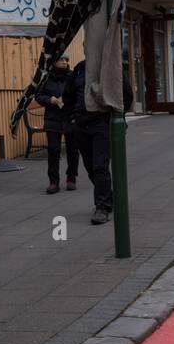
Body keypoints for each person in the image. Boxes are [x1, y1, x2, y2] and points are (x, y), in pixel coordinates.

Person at [64, 58, 133, 225]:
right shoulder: (79, 69)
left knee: (99, 166)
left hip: (101, 125)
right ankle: (108, 197)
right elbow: (68, 95)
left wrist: (117, 117)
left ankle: (102, 207)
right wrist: (72, 117)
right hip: (81, 125)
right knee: (90, 167)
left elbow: (127, 95)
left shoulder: (111, 68)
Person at [36, 53, 78, 195]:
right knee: (53, 151)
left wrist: (70, 101)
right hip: (53, 118)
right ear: (54, 62)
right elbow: (39, 96)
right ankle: (53, 182)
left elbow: (80, 93)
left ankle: (71, 178)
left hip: (70, 117)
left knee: (72, 150)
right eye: (61, 59)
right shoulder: (46, 77)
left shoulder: (72, 76)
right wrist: (50, 100)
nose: (65, 62)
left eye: (67, 59)